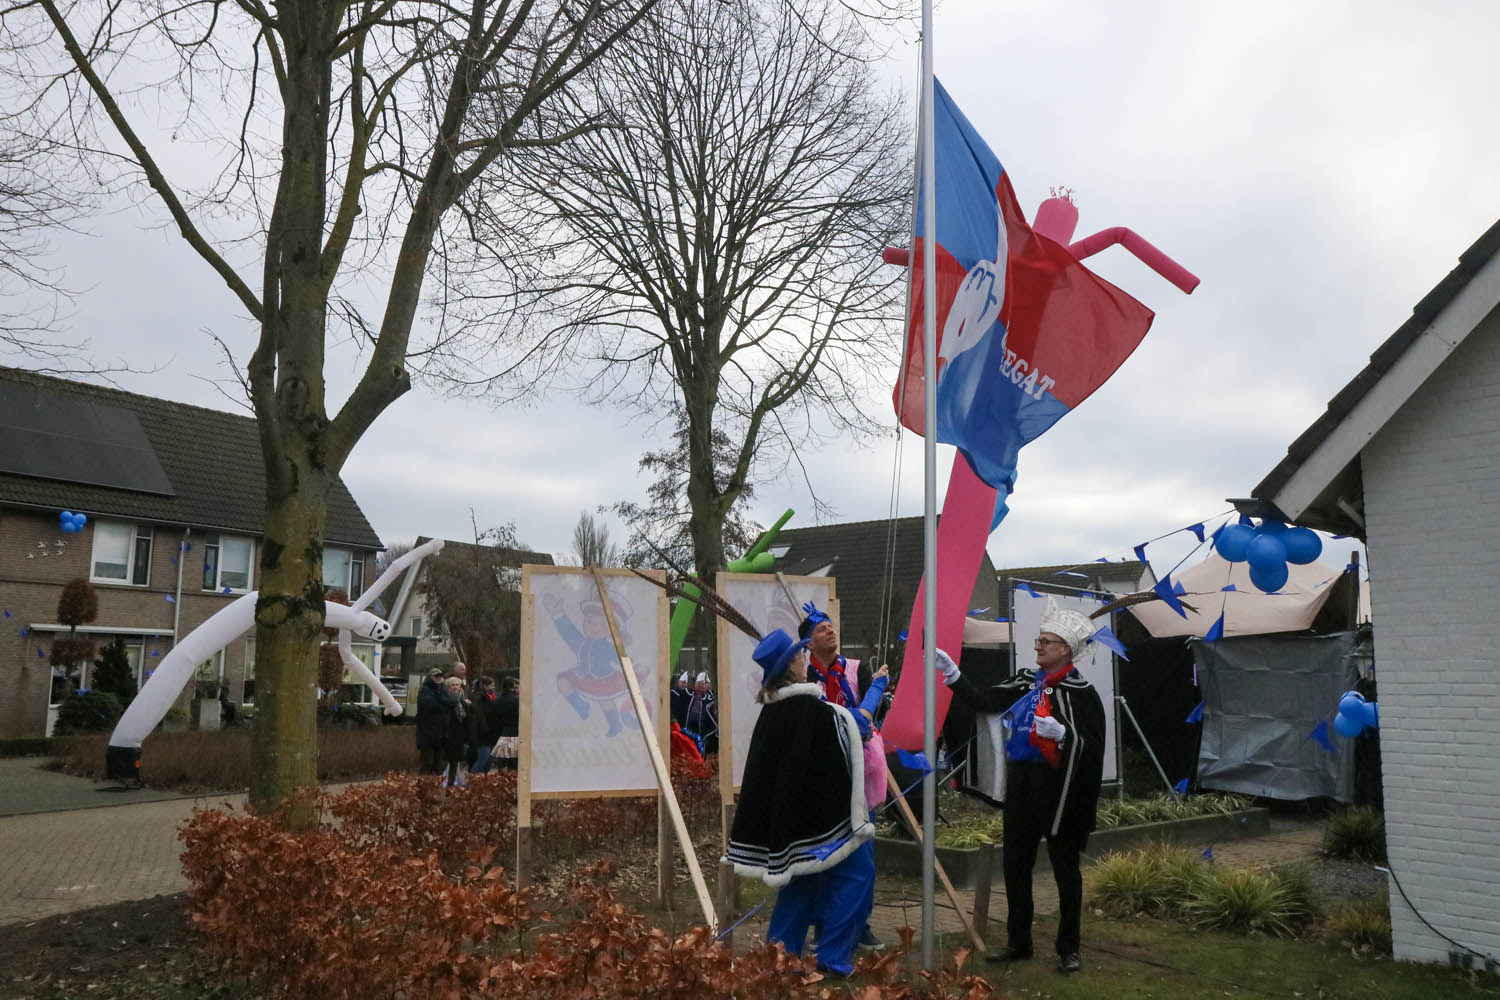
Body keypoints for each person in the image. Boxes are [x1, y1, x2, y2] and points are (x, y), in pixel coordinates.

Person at [936, 599, 1106, 975]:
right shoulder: (1026, 681)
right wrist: (954, 675)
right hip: (1023, 788)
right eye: (1039, 640)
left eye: (1046, 641)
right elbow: (985, 700)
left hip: (1061, 795)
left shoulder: (1083, 693)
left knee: (1066, 872)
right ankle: (1019, 942)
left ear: (1065, 649)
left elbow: (1093, 748)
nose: (1037, 645)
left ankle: (1069, 948)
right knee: (1015, 866)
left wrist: (1064, 735)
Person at [726, 629, 874, 976]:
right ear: (791, 667)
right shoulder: (809, 709)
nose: (806, 660)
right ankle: (832, 955)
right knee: (858, 873)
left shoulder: (773, 711)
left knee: (802, 882)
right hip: (824, 821)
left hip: (792, 821)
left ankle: (781, 956)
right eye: (800, 656)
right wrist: (870, 705)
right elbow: (852, 729)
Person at [799, 602, 873, 708]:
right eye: (822, 629)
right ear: (809, 644)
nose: (831, 631)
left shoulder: (858, 668)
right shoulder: (806, 682)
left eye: (830, 626)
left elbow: (872, 712)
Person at [415, 667, 454, 775]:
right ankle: (423, 785)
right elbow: (432, 705)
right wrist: (444, 704)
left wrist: (441, 700)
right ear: (430, 677)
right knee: (427, 763)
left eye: (440, 676)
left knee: (438, 765)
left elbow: (452, 701)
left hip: (441, 734)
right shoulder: (425, 690)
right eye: (436, 676)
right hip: (427, 733)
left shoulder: (442, 689)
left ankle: (435, 784)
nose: (439, 678)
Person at [440, 675, 476, 788]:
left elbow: (467, 718)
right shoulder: (446, 699)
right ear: (448, 687)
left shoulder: (462, 699)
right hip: (448, 733)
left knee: (455, 761)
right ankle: (443, 781)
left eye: (457, 685)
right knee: (447, 760)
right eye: (453, 685)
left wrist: (468, 706)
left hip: (459, 734)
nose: (455, 687)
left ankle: (451, 783)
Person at [682, 671, 719, 755]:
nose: (700, 686)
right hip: (688, 729)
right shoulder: (688, 695)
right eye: (698, 684)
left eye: (703, 684)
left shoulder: (710, 699)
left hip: (702, 731)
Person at [494, 677, 521, 770]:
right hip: (514, 730)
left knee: (502, 757)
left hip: (502, 731)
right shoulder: (516, 700)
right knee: (513, 758)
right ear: (512, 686)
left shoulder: (498, 700)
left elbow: (496, 716)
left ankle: (502, 774)